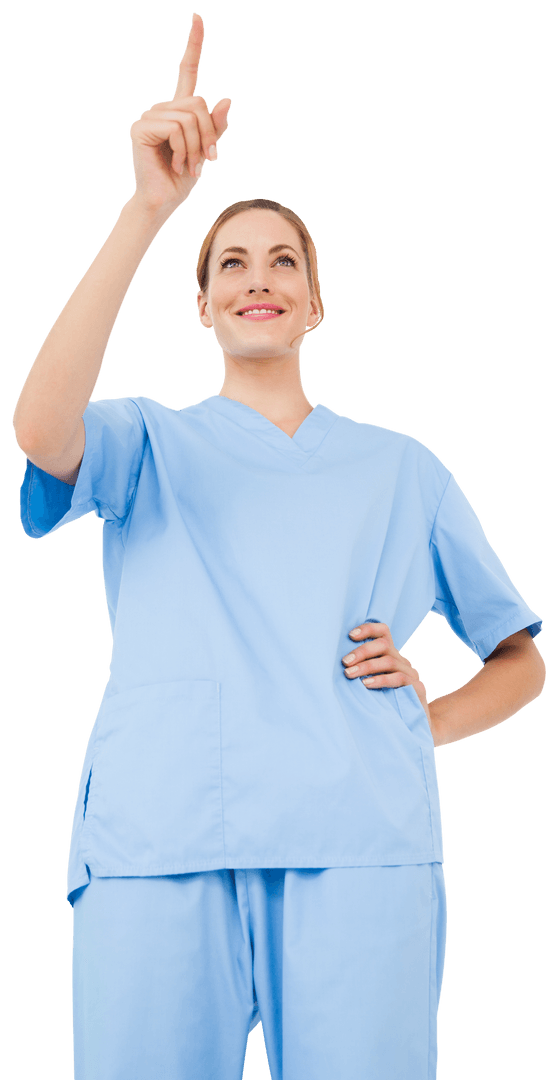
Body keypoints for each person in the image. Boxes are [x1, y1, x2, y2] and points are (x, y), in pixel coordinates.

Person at [12, 12, 545, 1080]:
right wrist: (148, 210)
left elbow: (522, 660)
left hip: (360, 847)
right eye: (233, 264)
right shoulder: (147, 443)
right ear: (204, 305)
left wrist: (421, 720)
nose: (260, 277)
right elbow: (38, 431)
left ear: (313, 301)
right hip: (163, 847)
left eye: (284, 262)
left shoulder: (404, 470)